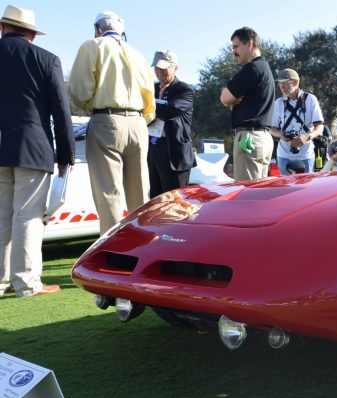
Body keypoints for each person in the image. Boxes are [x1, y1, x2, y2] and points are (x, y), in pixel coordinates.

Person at [0, 5, 74, 296]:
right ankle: (27, 283)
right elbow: (61, 112)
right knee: (28, 215)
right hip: (33, 146)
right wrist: (66, 155)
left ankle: (2, 280)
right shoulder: (46, 59)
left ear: (4, 27)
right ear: (31, 34)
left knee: (2, 216)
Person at [68, 11, 155, 234]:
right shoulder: (138, 55)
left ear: (97, 29)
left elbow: (79, 90)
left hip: (106, 119)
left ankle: (115, 255)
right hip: (138, 123)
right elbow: (149, 99)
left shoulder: (92, 46)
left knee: (109, 195)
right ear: (123, 31)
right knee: (141, 194)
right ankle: (143, 247)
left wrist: (91, 106)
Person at [220, 27, 275, 180]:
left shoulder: (253, 68)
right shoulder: (264, 68)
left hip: (248, 139)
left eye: (236, 46)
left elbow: (224, 97)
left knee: (247, 195)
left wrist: (232, 98)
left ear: (249, 44)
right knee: (258, 194)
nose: (233, 51)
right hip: (261, 138)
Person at [148, 50, 195, 198]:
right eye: (156, 67)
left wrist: (148, 105)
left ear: (176, 67)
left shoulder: (184, 90)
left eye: (164, 67)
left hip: (174, 154)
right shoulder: (150, 89)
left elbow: (170, 110)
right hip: (153, 151)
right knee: (155, 202)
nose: (159, 71)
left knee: (176, 203)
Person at [269, 68, 325, 175]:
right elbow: (272, 128)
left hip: (306, 154)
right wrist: (281, 135)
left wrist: (307, 137)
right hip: (283, 154)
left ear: (295, 82)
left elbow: (320, 126)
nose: (282, 87)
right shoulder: (278, 103)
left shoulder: (310, 99)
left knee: (306, 188)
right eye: (280, 84)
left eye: (285, 83)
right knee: (286, 187)